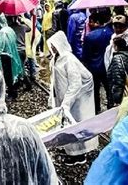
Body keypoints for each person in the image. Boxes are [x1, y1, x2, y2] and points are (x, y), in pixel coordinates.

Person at [47, 31, 98, 165]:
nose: (51, 48)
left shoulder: (69, 59)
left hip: (76, 100)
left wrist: (67, 103)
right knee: (66, 125)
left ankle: (79, 155)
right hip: (63, 98)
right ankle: (69, 149)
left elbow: (76, 83)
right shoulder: (55, 58)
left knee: (76, 125)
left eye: (53, 45)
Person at [82, 12, 114, 113]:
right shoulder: (111, 33)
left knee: (95, 92)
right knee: (109, 90)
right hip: (107, 67)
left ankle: (96, 110)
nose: (89, 24)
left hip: (93, 68)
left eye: (91, 22)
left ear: (97, 22)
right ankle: (111, 108)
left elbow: (85, 56)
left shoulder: (89, 36)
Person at [0, 14, 23, 100]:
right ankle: (14, 91)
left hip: (5, 56)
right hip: (13, 54)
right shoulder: (10, 30)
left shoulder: (2, 32)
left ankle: (11, 93)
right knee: (13, 73)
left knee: (8, 76)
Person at [107, 36, 128, 106]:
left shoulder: (117, 58)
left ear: (116, 46)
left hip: (125, 93)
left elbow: (118, 79)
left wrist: (116, 99)